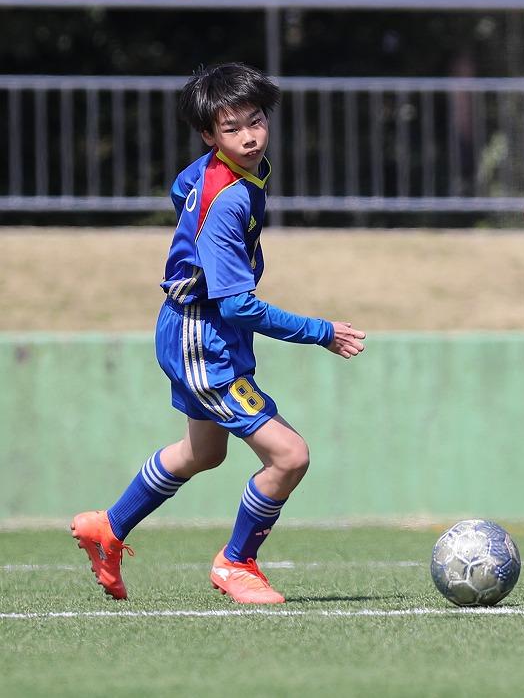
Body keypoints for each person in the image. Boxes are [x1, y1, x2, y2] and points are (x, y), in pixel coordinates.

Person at [71, 63, 366, 604]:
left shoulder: (223, 171)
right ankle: (236, 563)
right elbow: (238, 305)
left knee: (203, 452)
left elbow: (181, 186)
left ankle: (107, 527)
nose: (250, 136)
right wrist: (320, 330)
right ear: (209, 136)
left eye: (256, 121)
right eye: (233, 129)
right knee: (289, 456)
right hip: (204, 338)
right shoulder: (228, 202)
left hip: (192, 327)